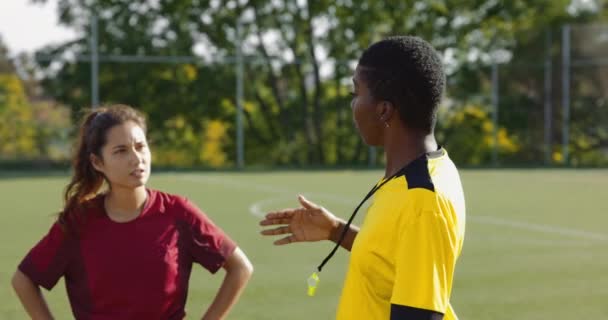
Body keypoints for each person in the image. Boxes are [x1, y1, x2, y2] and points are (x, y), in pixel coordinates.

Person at [260, 36, 466, 320]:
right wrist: (335, 230)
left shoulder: (423, 200)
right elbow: (391, 261)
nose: (353, 105)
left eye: (357, 93)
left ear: (383, 110)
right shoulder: (417, 174)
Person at [12, 104, 253, 320]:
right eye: (121, 151)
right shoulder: (79, 221)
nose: (136, 158)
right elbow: (24, 280)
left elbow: (240, 268)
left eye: (140, 147)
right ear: (97, 162)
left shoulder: (178, 212)